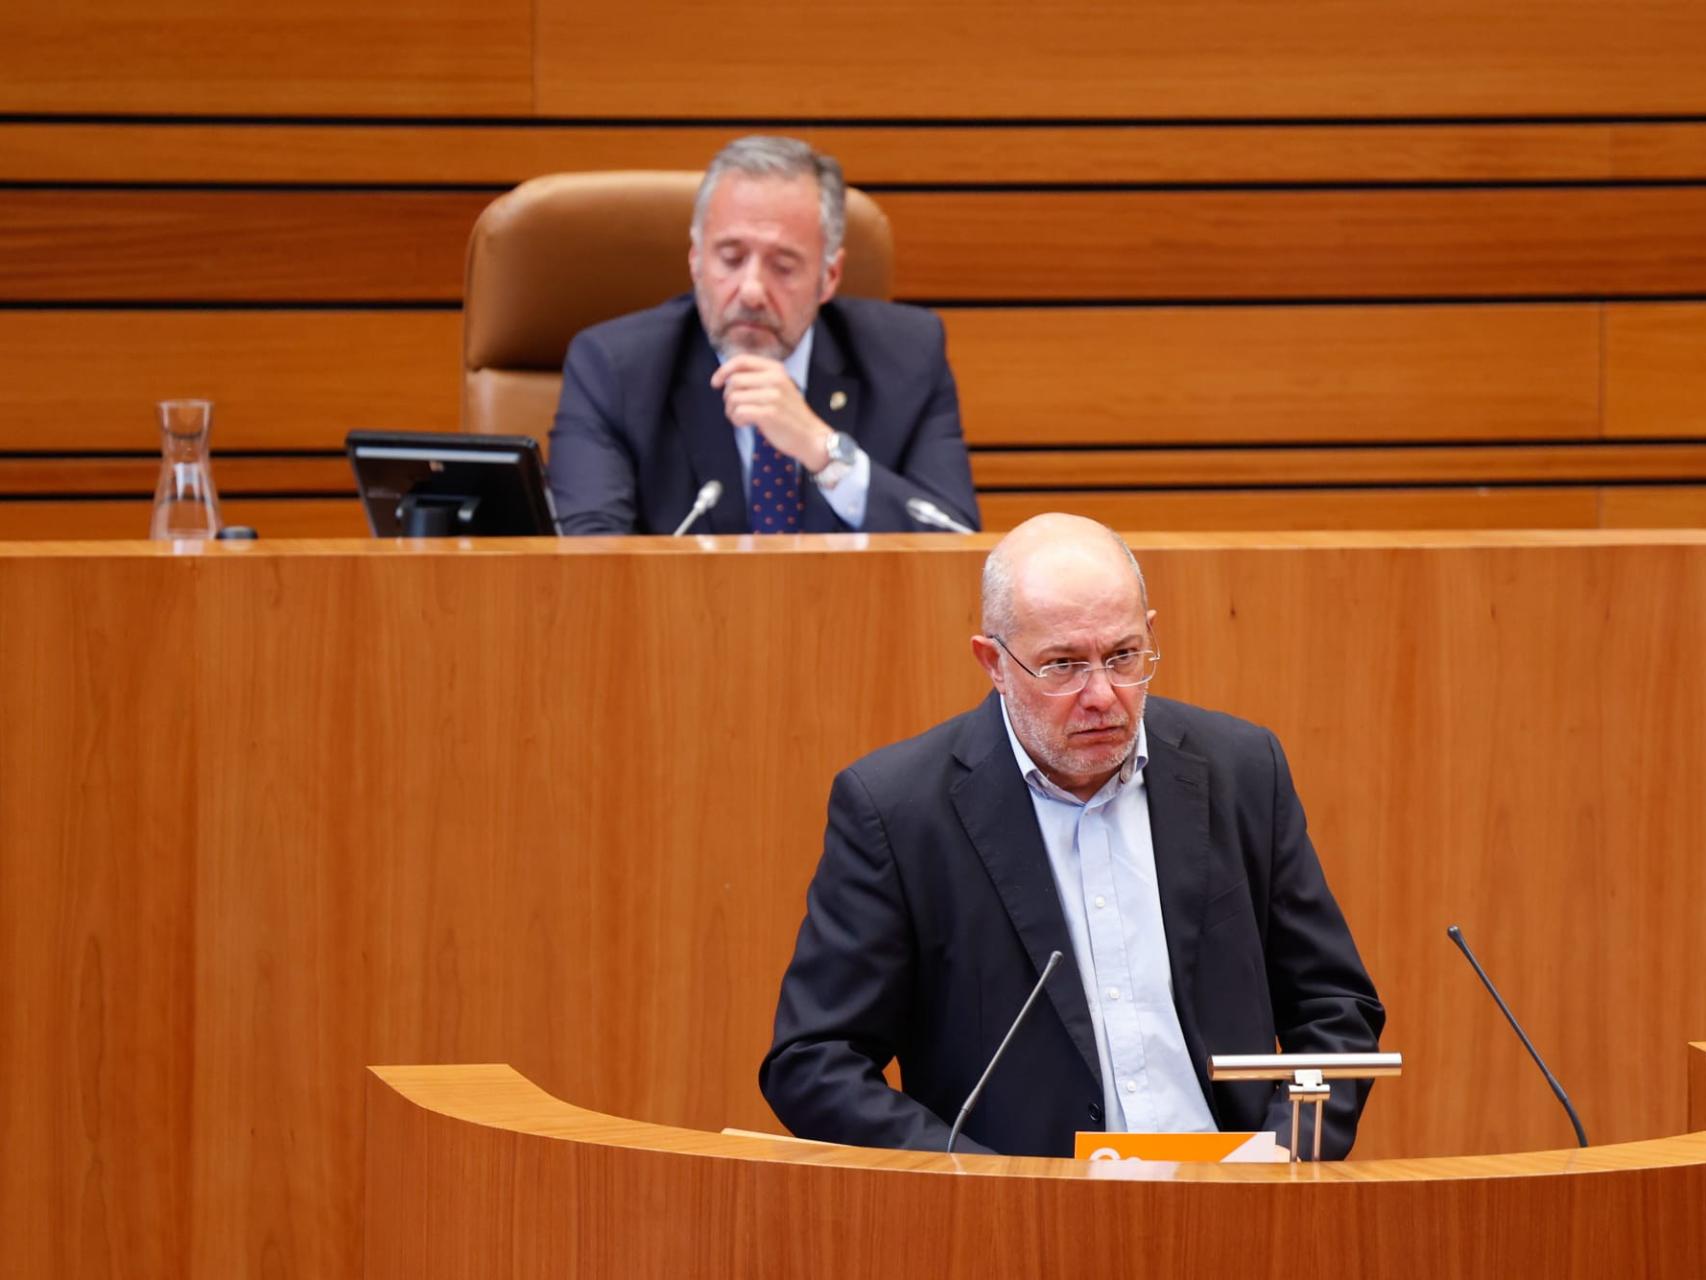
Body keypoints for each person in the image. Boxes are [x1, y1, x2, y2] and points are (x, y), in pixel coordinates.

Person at [760, 513, 1385, 1158]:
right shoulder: (897, 810)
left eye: (1123, 656)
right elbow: (815, 1061)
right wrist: (981, 1188)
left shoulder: (1241, 770)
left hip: (1235, 1204)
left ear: (1150, 634)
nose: (1102, 695)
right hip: (1020, 1229)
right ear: (994, 662)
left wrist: (1283, 1156)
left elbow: (1334, 1008)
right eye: (1062, 666)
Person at [548, 135, 981, 536]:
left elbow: (955, 545)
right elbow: (590, 557)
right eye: (731, 258)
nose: (752, 290)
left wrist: (825, 451)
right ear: (697, 261)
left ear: (829, 277)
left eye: (783, 266)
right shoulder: (613, 369)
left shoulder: (908, 357)